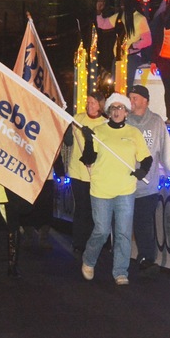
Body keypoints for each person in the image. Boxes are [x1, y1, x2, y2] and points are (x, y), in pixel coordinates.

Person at [79, 93, 152, 286]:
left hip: (125, 190)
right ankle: (88, 259)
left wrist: (142, 170)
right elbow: (88, 159)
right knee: (102, 231)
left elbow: (147, 158)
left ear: (127, 112)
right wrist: (88, 140)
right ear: (109, 111)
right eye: (114, 108)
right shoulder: (99, 131)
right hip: (101, 188)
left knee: (123, 233)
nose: (117, 111)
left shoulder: (134, 133)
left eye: (121, 108)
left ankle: (120, 271)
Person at [126, 85, 170, 275]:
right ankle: (120, 260)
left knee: (144, 223)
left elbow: (166, 151)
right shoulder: (125, 121)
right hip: (124, 185)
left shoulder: (157, 122)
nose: (132, 101)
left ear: (145, 100)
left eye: (135, 98)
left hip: (148, 185)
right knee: (124, 224)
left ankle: (146, 259)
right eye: (130, 98)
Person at [63, 91, 107, 254]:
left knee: (93, 209)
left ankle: (93, 242)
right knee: (81, 208)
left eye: (93, 103)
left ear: (100, 105)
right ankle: (79, 242)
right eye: (88, 102)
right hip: (77, 172)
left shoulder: (104, 123)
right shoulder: (78, 120)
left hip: (95, 174)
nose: (89, 105)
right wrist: (67, 128)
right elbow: (68, 141)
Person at [96, 0, 152, 91]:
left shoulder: (140, 18)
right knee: (116, 87)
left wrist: (133, 46)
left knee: (126, 87)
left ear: (130, 2)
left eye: (124, 0)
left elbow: (148, 40)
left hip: (132, 58)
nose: (121, 3)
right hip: (117, 58)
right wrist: (99, 12)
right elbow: (102, 24)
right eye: (121, 0)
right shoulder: (118, 16)